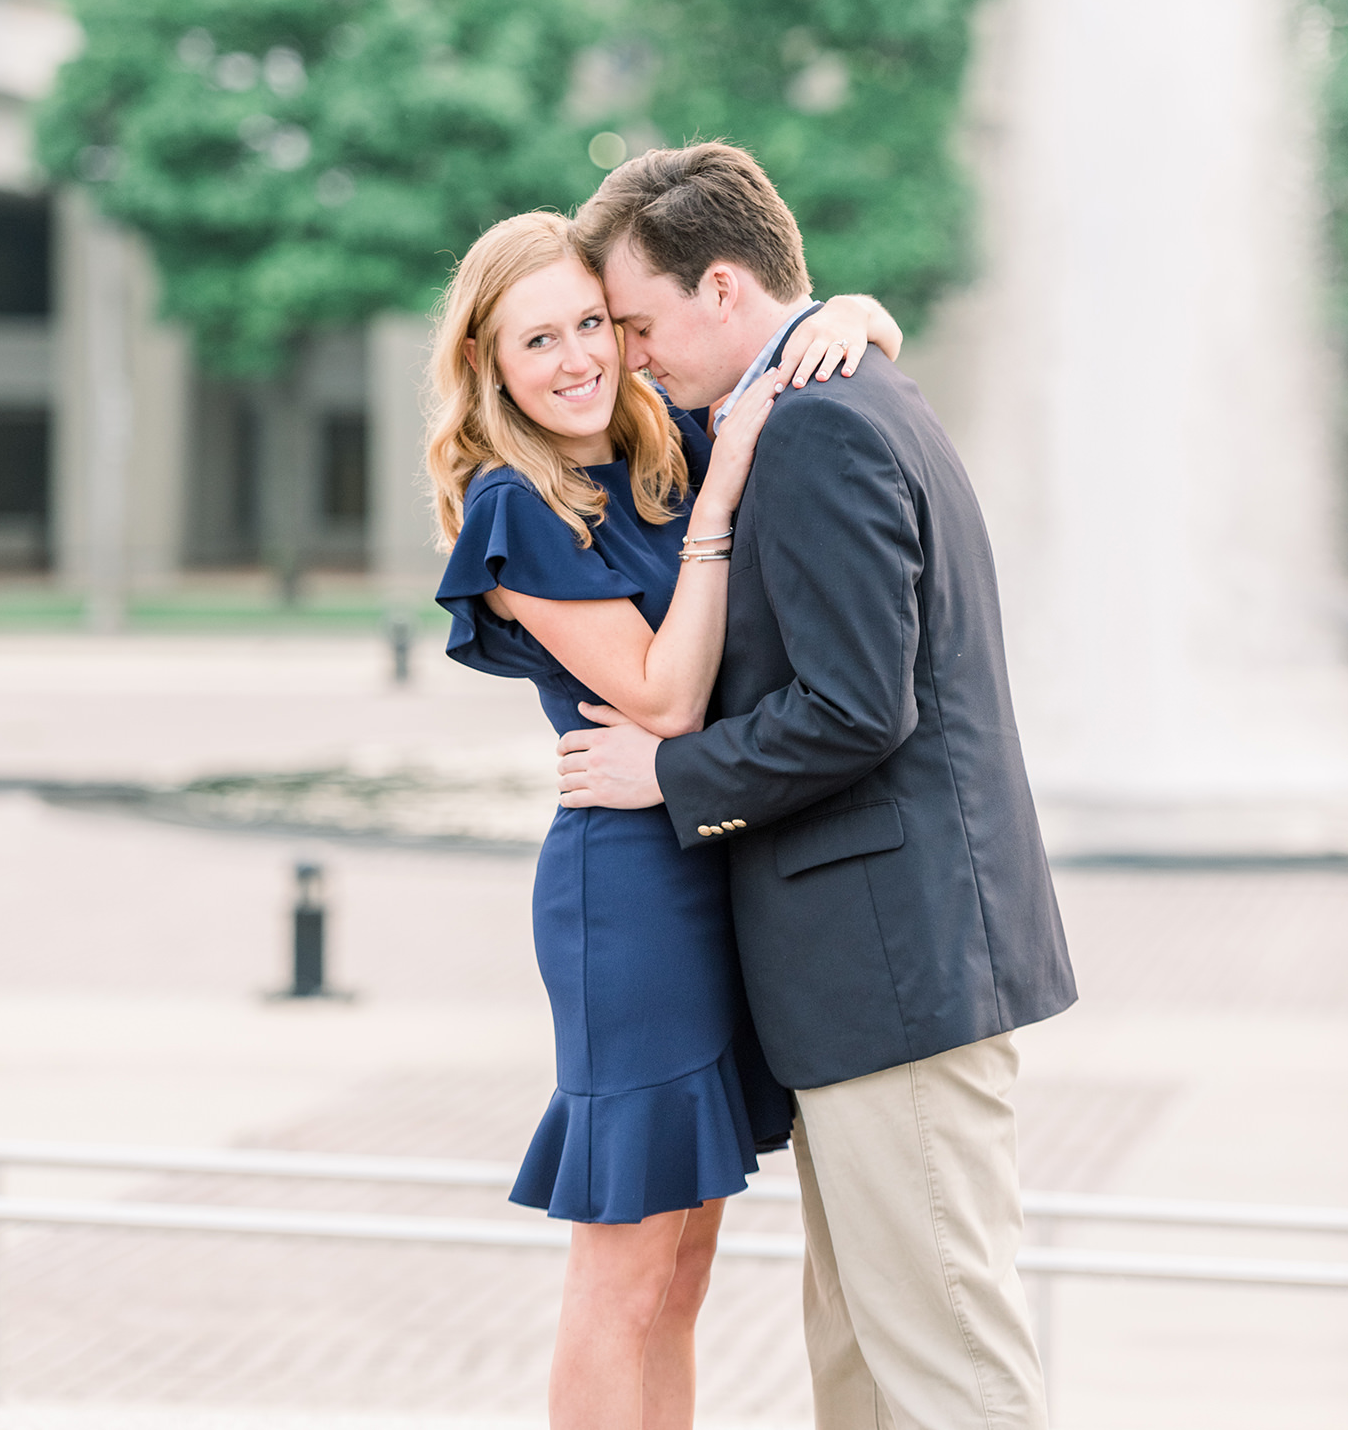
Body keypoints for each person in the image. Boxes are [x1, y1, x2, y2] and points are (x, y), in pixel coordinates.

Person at [563, 142, 1078, 1430]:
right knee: (863, 1373)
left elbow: (858, 708)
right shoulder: (829, 394)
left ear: (724, 287)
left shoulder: (820, 424)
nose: (629, 356)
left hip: (893, 980)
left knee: (949, 1374)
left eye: (636, 322)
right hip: (879, 983)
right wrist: (852, 311)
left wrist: (666, 773)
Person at [426, 209, 902, 1430]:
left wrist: (848, 317)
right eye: (541, 339)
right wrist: (720, 497)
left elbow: (827, 332)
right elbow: (667, 697)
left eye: (594, 322)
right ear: (486, 362)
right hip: (627, 898)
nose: (581, 357)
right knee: (623, 1274)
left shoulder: (656, 443)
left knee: (684, 1275)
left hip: (711, 870)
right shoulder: (517, 507)